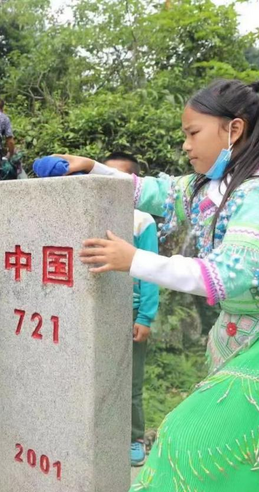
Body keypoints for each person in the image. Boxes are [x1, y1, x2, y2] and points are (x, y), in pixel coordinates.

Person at [47, 79, 259, 492]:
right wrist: (92, 166)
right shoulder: (212, 184)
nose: (186, 146)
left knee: (187, 440)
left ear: (233, 130)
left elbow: (231, 274)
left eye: (192, 133)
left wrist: (133, 260)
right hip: (250, 337)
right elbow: (156, 190)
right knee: (258, 463)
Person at [102, 152, 159, 467]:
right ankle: (105, 435)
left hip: (131, 313)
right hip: (99, 311)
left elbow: (150, 271)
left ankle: (135, 438)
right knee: (101, 376)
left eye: (120, 180)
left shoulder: (142, 220)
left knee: (132, 382)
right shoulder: (91, 212)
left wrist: (146, 316)